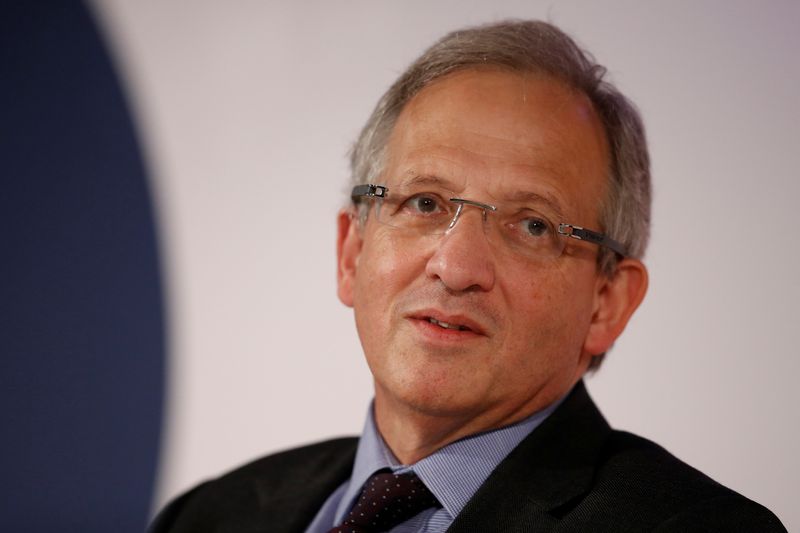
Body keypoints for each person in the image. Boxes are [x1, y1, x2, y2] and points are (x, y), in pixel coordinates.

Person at [149, 20, 785, 532]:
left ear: (606, 303)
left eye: (533, 225)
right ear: (352, 252)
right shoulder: (211, 515)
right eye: (424, 204)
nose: (455, 267)